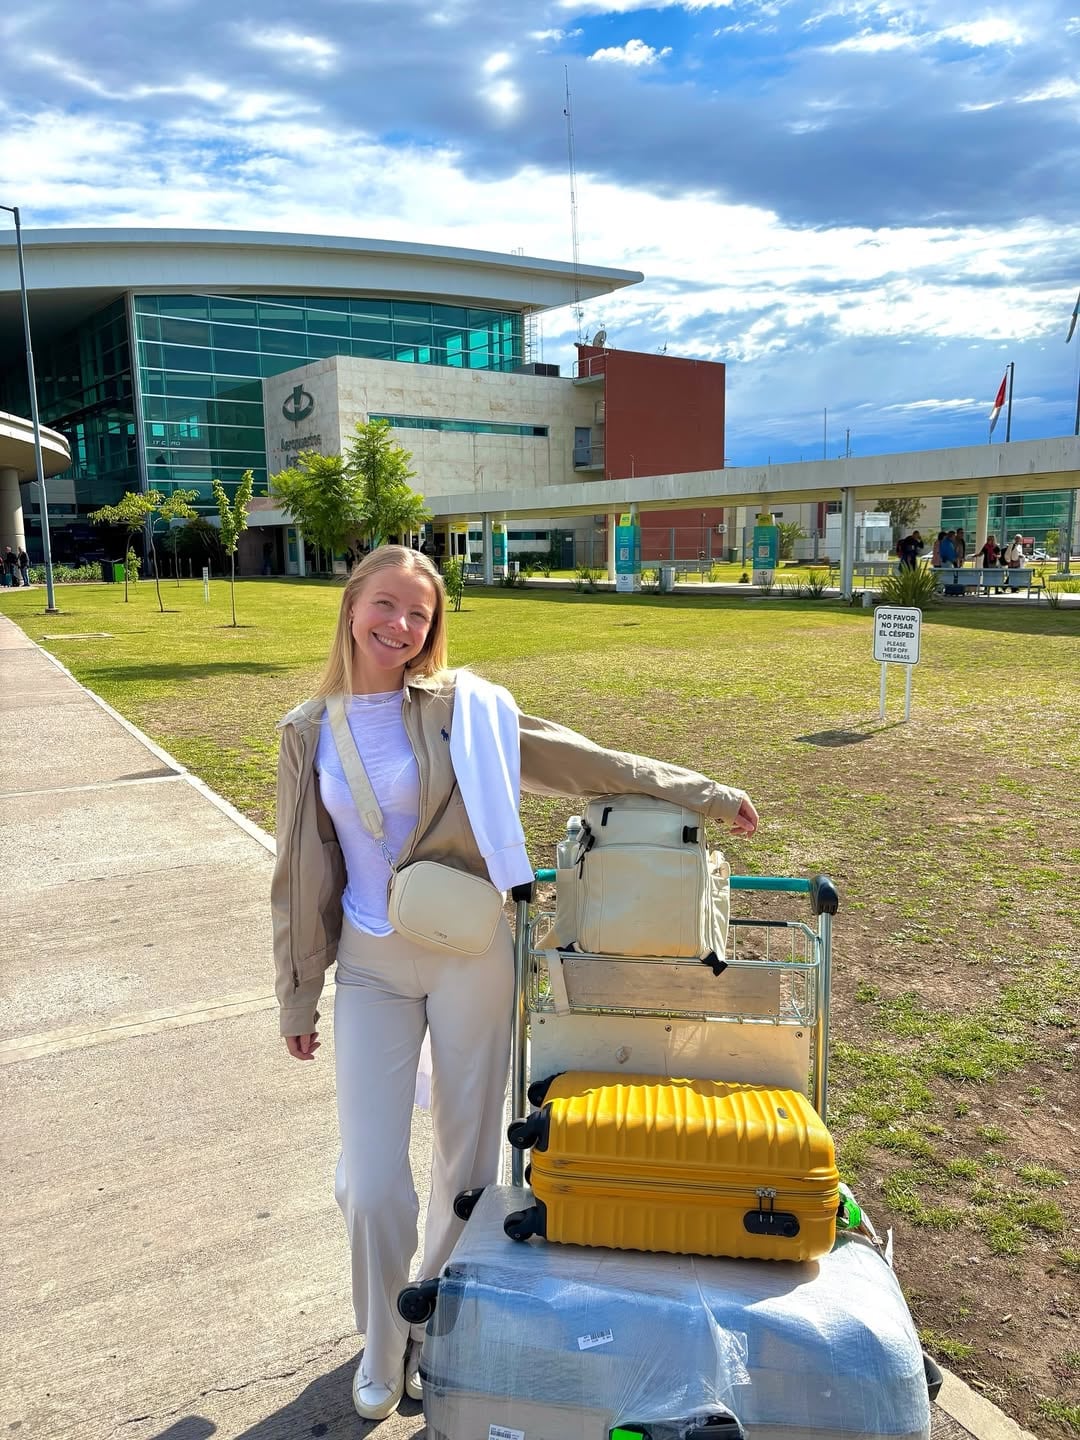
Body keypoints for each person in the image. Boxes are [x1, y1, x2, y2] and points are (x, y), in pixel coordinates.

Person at [272, 545, 759, 1421]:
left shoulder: (465, 711)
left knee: (464, 1162)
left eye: (419, 614)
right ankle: (379, 1342)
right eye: (385, 604)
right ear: (351, 606)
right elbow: (299, 873)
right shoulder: (306, 730)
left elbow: (585, 762)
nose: (400, 626)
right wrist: (297, 991)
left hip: (470, 954)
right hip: (372, 965)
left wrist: (705, 793)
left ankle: (429, 1321)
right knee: (374, 1182)